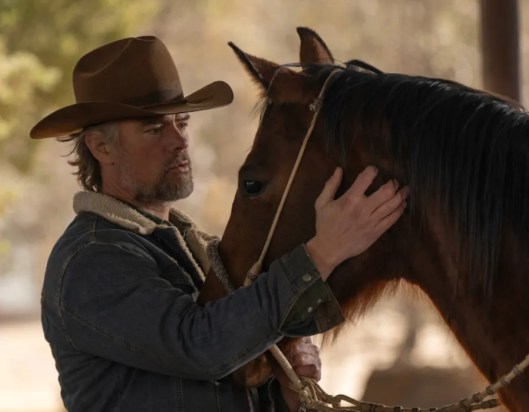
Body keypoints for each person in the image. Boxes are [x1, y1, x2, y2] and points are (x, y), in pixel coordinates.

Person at [31, 36, 408, 411]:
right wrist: (321, 254)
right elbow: (199, 346)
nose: (179, 141)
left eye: (181, 122)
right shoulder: (91, 259)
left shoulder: (191, 247)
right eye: (154, 129)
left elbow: (214, 383)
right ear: (102, 147)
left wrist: (285, 394)